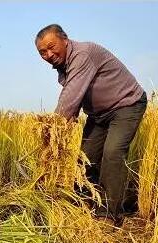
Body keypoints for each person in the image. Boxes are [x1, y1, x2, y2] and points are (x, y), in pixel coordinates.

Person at [35, 24, 147, 225]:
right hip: (99, 115)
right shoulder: (63, 66)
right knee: (85, 158)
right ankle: (84, 204)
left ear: (65, 40)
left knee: (112, 154)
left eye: (52, 47)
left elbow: (71, 96)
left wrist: (53, 130)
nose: (49, 54)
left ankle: (109, 214)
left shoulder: (82, 54)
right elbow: (74, 96)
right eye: (43, 52)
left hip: (126, 105)